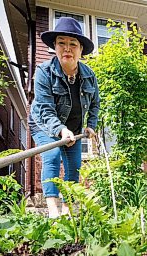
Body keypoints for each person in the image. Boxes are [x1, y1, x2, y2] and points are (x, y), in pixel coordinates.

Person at [29, 17, 99, 218]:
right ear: (54, 47)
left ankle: (68, 212)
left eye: (73, 44)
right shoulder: (44, 72)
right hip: (43, 124)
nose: (67, 48)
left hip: (74, 127)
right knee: (52, 156)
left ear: (80, 50)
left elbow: (95, 104)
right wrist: (60, 129)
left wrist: (91, 125)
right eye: (61, 43)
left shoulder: (89, 75)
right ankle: (53, 213)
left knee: (74, 166)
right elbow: (44, 108)